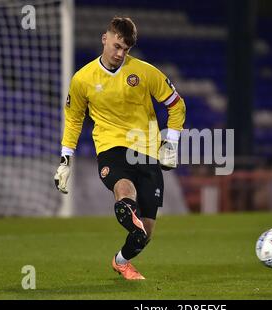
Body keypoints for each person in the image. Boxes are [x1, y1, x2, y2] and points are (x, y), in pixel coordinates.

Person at [53, 17, 186, 280]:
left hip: (146, 151)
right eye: (116, 46)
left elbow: (176, 105)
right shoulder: (83, 79)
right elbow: (74, 119)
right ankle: (127, 210)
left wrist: (171, 143)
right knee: (124, 189)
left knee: (145, 235)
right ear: (105, 38)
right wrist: (65, 160)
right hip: (111, 147)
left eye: (125, 49)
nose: (119, 53)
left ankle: (120, 261)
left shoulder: (145, 73)